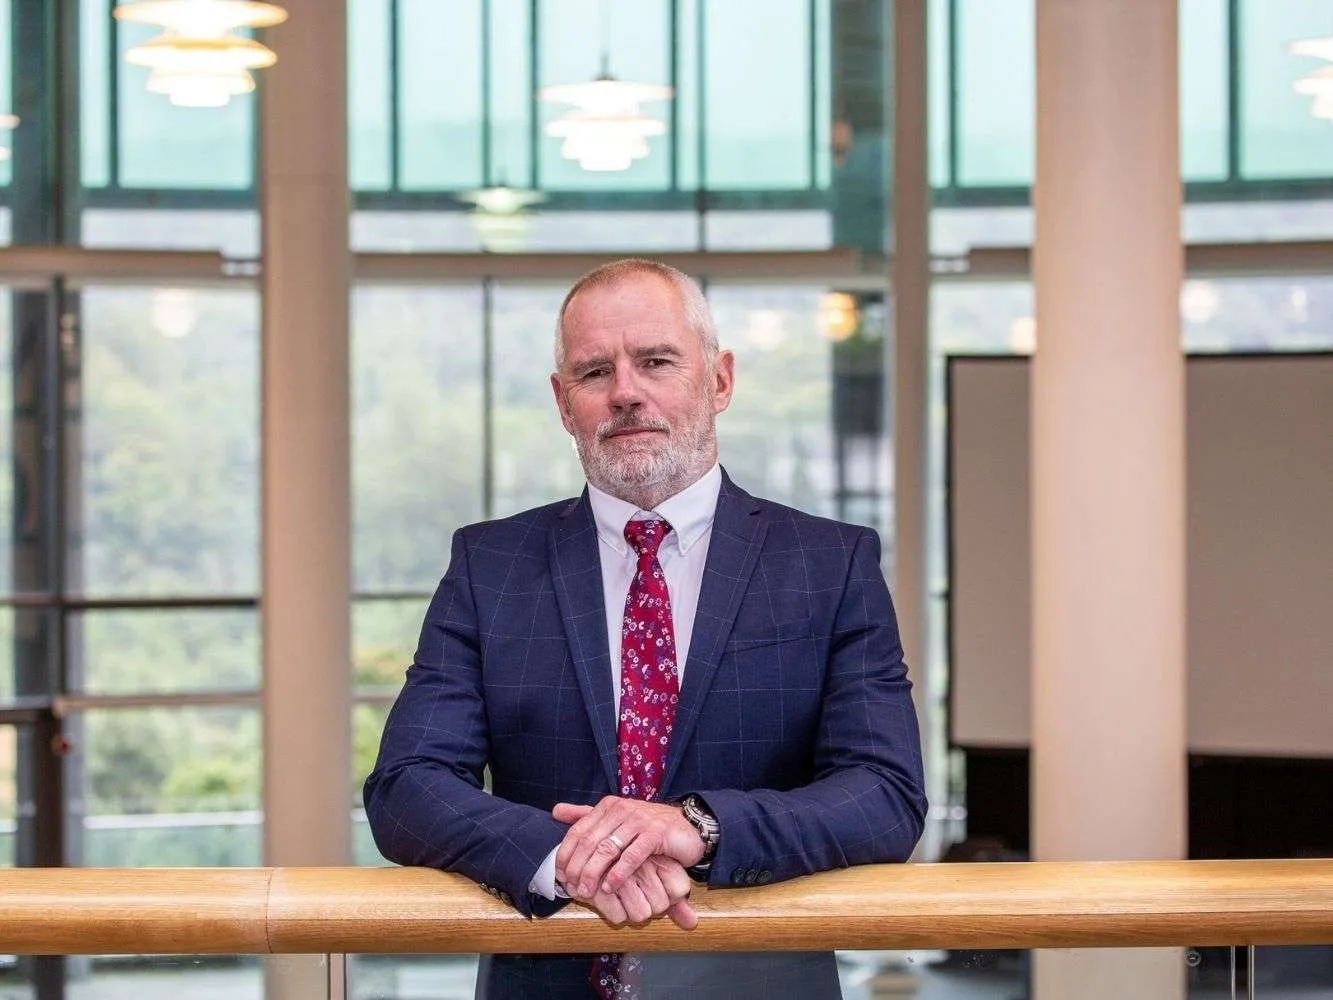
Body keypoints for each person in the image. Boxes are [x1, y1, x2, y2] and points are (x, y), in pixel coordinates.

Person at [364, 258, 927, 1000]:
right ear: (565, 405)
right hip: (544, 978)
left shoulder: (829, 563)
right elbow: (407, 786)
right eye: (594, 373)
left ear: (718, 381)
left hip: (753, 983)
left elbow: (885, 793)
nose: (625, 392)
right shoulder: (489, 565)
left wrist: (698, 826)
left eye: (655, 361)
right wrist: (569, 856)